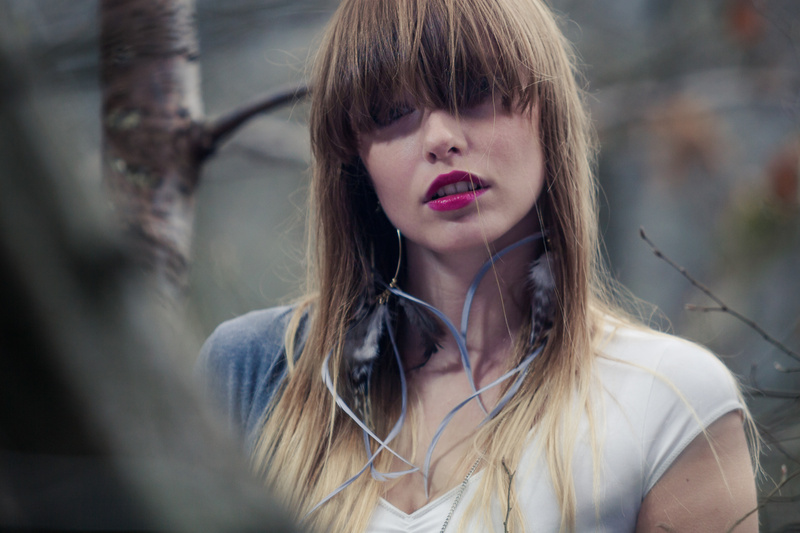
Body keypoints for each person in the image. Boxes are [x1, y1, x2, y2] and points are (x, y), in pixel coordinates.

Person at [198, 0, 759, 530]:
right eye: (394, 112)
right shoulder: (257, 372)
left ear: (549, 113)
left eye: (475, 90)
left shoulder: (666, 400)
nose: (440, 139)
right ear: (356, 160)